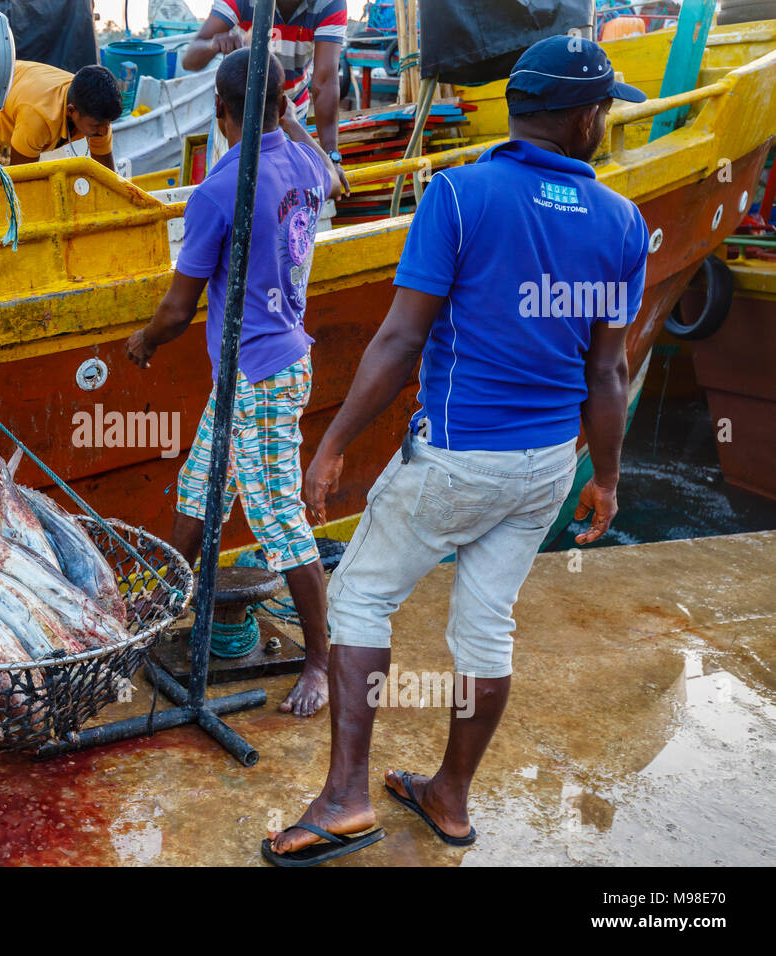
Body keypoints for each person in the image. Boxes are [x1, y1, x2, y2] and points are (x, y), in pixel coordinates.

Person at [264, 35, 650, 865]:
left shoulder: (460, 195)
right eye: (604, 106)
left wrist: (330, 446)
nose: (605, 118)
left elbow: (402, 338)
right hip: (547, 463)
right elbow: (609, 369)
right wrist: (607, 479)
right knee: (486, 628)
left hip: (455, 456)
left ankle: (345, 799)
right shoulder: (624, 221)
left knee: (362, 597)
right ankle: (449, 797)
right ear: (584, 116)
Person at [126, 49, 344, 718]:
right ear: (281, 106)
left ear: (220, 111)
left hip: (262, 374)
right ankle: (146, 618)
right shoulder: (304, 163)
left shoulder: (219, 191)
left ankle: (319, 661)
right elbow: (335, 178)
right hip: (258, 368)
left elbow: (178, 309)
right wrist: (289, 117)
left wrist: (144, 342)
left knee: (277, 516)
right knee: (203, 486)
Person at [182, 0, 348, 176]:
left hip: (289, 112)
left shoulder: (330, 3)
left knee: (284, 192)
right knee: (228, 187)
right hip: (237, 114)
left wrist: (331, 156)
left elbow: (325, 81)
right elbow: (190, 59)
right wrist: (213, 44)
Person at [0, 61, 122, 172]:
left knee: (0, 180)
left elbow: (107, 176)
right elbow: (22, 181)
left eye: (108, 123)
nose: (104, 131)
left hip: (5, 113)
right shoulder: (39, 117)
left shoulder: (98, 115)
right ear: (71, 111)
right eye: (98, 125)